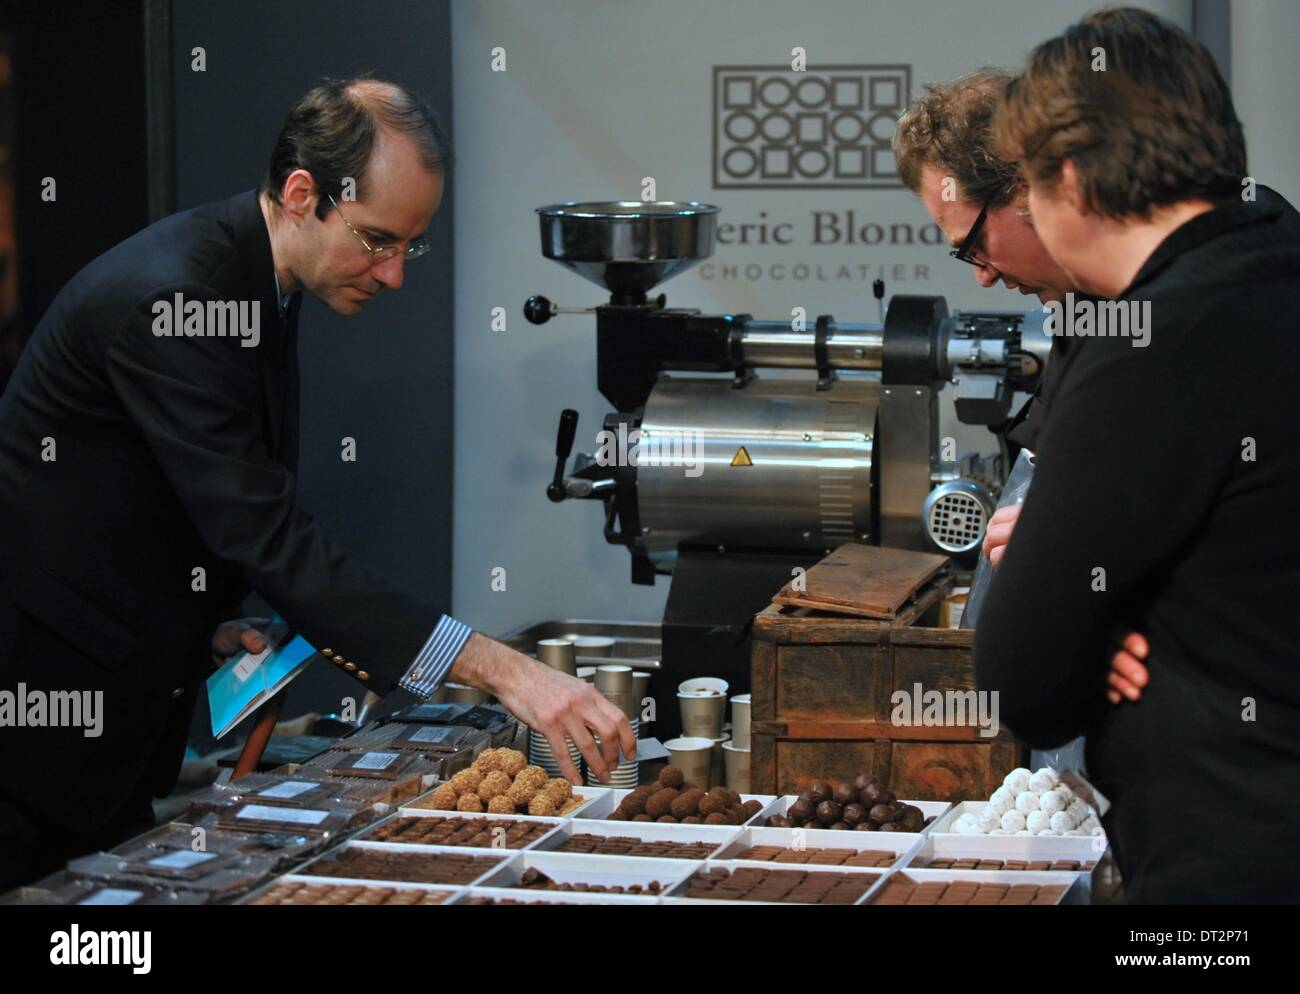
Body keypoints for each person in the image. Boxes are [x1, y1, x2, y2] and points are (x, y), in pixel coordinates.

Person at [0, 78, 633, 890]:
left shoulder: (255, 276)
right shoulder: (180, 297)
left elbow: (164, 494)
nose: (397, 274)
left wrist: (197, 618)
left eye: (413, 245)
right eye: (377, 240)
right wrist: (507, 671)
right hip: (37, 736)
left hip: (106, 721)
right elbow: (266, 533)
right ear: (303, 194)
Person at [974, 7, 1300, 902]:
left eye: (1030, 195)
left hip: (1233, 864)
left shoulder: (1150, 340)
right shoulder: (1277, 257)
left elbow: (1026, 675)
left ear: (1070, 180)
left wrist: (1105, 626)